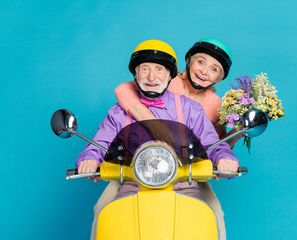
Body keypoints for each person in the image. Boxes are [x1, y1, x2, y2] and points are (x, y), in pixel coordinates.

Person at [76, 40, 239, 240]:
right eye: (144, 69)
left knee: (213, 214)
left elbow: (212, 142)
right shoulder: (119, 112)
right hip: (131, 180)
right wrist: (89, 158)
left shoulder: (192, 110)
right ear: (135, 74)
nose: (152, 77)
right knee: (101, 212)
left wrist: (224, 157)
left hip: (184, 180)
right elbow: (99, 142)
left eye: (159, 69)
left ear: (170, 75)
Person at [114, 38, 243, 148]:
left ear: (219, 78)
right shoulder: (167, 82)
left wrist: (239, 131)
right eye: (200, 62)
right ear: (189, 61)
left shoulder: (215, 103)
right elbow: (122, 90)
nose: (204, 71)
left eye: (214, 69)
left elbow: (215, 146)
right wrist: (154, 125)